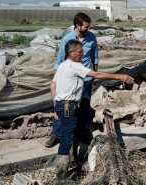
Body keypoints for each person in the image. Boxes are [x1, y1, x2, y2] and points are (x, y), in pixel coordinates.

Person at [52, 39, 134, 181]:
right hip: (68, 107)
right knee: (65, 141)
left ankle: (71, 162)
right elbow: (96, 75)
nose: (83, 54)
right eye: (80, 52)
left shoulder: (63, 65)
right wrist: (120, 76)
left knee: (70, 135)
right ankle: (60, 179)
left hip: (63, 105)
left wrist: (56, 106)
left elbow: (53, 85)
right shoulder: (74, 66)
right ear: (71, 53)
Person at [46, 12, 99, 148]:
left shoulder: (92, 37)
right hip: (69, 80)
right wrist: (55, 80)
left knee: (84, 107)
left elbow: (95, 58)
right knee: (64, 106)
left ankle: (80, 133)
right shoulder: (67, 39)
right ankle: (56, 134)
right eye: (86, 27)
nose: (88, 30)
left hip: (86, 78)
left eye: (89, 27)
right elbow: (59, 61)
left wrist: (94, 74)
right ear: (77, 26)